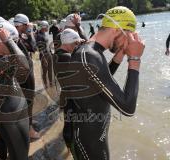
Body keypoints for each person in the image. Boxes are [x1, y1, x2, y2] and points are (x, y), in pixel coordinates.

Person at [61, 6, 145, 159]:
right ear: (118, 30)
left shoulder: (90, 51)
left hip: (95, 133)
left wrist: (120, 55)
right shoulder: (88, 55)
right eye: (128, 37)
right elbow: (127, 107)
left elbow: (100, 83)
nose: (129, 42)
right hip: (88, 139)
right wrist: (135, 59)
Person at [0, 21, 30, 160]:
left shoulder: (4, 57)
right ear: (1, 41)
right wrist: (9, 41)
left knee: (22, 153)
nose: (15, 46)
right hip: (10, 119)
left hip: (18, 111)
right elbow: (26, 67)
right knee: (19, 156)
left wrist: (10, 42)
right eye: (13, 42)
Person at [53, 28, 84, 153]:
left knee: (69, 122)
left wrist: (77, 43)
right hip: (70, 96)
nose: (77, 45)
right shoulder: (66, 57)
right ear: (69, 42)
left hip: (65, 93)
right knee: (71, 126)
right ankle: (71, 149)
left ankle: (69, 148)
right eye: (76, 43)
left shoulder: (58, 53)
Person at [14, 13, 39, 139]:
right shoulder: (16, 38)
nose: (29, 27)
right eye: (27, 25)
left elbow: (32, 49)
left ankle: (28, 121)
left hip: (22, 73)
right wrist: (30, 33)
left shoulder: (17, 37)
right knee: (28, 99)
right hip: (24, 74)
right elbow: (34, 48)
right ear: (23, 25)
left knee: (27, 99)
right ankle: (28, 128)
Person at [36, 20, 54, 88]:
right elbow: (40, 48)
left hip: (49, 53)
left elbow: (47, 45)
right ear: (44, 27)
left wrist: (51, 52)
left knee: (50, 70)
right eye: (47, 26)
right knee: (45, 71)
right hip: (44, 55)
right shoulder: (39, 35)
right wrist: (44, 59)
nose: (48, 28)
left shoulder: (44, 34)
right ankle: (46, 85)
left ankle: (51, 84)